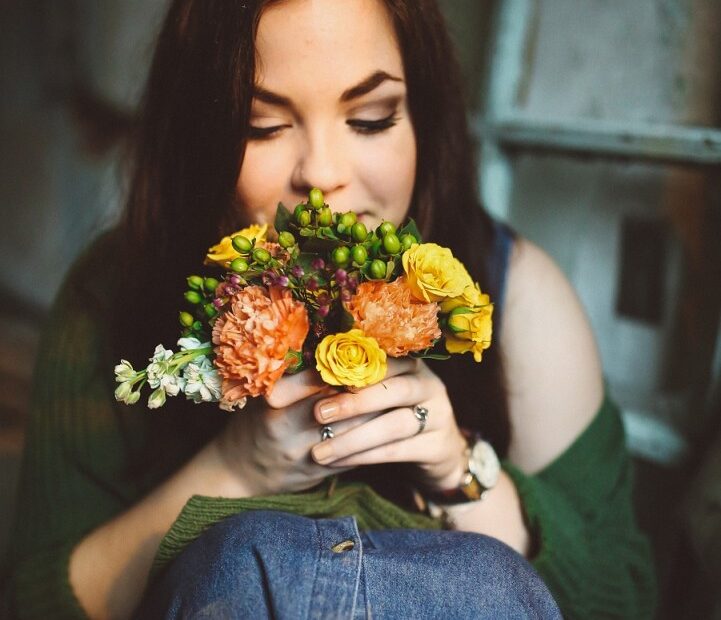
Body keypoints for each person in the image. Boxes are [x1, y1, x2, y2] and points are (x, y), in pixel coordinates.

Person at [1, 0, 657, 618]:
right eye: (262, 126)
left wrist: (460, 472)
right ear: (200, 131)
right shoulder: (115, 292)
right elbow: (35, 602)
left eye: (371, 118)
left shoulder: (514, 294)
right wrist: (237, 468)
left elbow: (622, 597)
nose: (321, 173)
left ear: (422, 117)